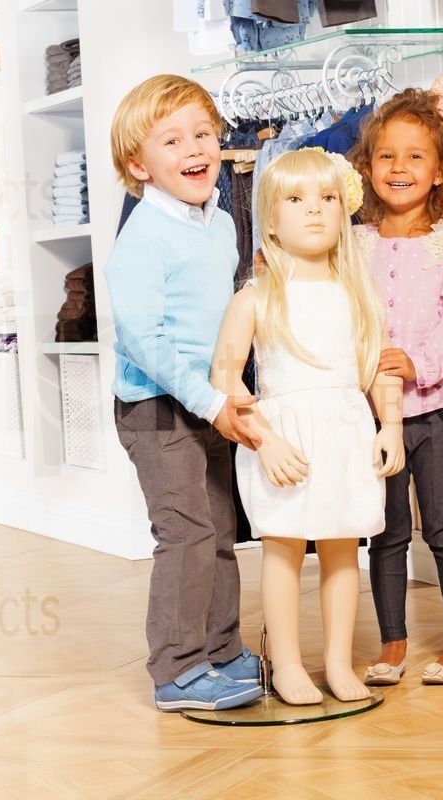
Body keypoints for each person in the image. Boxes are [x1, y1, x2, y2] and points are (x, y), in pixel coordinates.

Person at [210, 147, 406, 705]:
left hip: (346, 433)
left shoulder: (357, 293)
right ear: (269, 217)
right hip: (286, 440)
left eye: (326, 199)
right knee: (284, 547)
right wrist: (264, 440)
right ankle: (289, 665)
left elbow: (378, 364)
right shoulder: (255, 298)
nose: (315, 211)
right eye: (297, 200)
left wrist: (388, 424)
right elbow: (225, 378)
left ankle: (340, 663)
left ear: (343, 211)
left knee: (345, 545)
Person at [105, 74, 264, 712]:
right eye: (172, 139)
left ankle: (220, 647)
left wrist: (230, 391)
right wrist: (210, 401)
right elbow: (144, 339)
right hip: (157, 409)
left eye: (202, 133)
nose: (194, 147)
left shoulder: (220, 224)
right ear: (138, 164)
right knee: (186, 532)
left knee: (221, 528)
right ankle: (176, 668)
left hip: (209, 400)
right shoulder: (142, 238)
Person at [348, 89, 443, 686]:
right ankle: (392, 645)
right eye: (385, 156)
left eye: (414, 157)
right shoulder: (352, 244)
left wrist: (419, 361)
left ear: (440, 170)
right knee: (387, 534)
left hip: (436, 413)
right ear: (367, 167)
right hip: (372, 417)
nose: (399, 169)